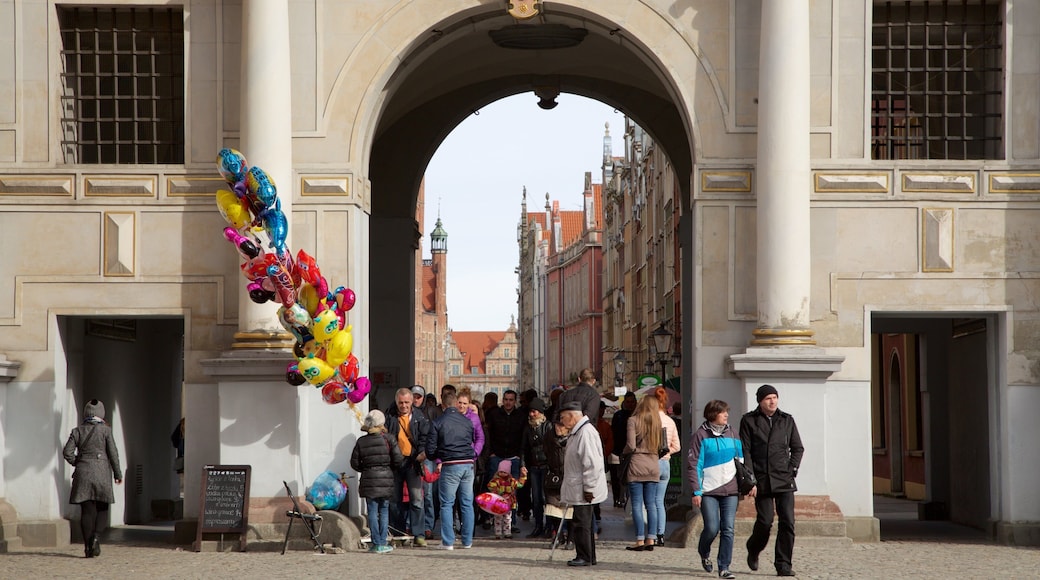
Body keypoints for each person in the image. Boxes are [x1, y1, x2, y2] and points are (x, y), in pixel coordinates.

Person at [740, 385, 804, 577]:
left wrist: (792, 468)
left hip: (784, 479)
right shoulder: (749, 420)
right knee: (765, 521)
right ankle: (753, 547)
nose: (772, 401)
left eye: (775, 397)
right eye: (768, 398)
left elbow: (798, 448)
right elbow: (746, 451)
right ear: (760, 401)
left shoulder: (787, 420)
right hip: (762, 479)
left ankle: (783, 564)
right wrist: (750, 480)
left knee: (788, 522)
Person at [689, 400, 743, 579]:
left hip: (731, 490)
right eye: (722, 412)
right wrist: (696, 491)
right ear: (712, 414)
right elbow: (694, 465)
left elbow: (740, 461)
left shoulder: (733, 432)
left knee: (728, 528)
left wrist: (746, 485)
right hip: (709, 491)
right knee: (712, 528)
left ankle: (724, 566)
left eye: (727, 412)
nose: (726, 415)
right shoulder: (700, 435)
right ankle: (704, 552)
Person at [62, 399, 123, 558]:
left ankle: (87, 547)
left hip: (83, 473)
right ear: (101, 414)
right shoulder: (106, 431)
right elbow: (113, 454)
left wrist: (79, 462)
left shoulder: (77, 431)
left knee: (87, 511)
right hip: (102, 472)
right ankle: (96, 537)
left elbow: (67, 452)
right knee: (102, 508)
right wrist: (117, 474)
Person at [425, 391, 478, 550]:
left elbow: (430, 449)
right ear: (456, 404)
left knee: (447, 504)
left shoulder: (438, 422)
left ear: (443, 405)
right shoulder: (467, 421)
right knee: (467, 503)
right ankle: (467, 541)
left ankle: (448, 541)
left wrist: (437, 456)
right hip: (468, 464)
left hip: (450, 464)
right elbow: (472, 440)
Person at [559, 401, 607, 567]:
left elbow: (592, 463)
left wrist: (589, 488)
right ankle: (588, 555)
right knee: (582, 521)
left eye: (562, 417)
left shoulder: (585, 433)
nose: (561, 421)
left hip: (583, 487)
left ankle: (585, 556)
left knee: (582, 523)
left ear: (572, 416)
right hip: (578, 485)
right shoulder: (578, 431)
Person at [351, 410, 404, 554]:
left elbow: (354, 463)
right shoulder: (389, 439)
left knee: (372, 511)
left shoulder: (361, 441)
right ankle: (383, 542)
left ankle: (376, 543)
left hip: (369, 478)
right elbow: (398, 459)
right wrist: (388, 469)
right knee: (384, 510)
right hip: (386, 477)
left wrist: (366, 469)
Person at [384, 387, 429, 545]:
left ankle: (419, 534)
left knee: (417, 499)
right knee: (394, 500)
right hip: (395, 462)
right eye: (401, 402)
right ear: (396, 402)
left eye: (407, 402)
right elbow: (386, 437)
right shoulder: (389, 416)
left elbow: (425, 437)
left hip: (413, 462)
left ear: (412, 402)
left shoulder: (419, 417)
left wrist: (422, 453)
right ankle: (399, 532)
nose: (403, 406)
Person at [483, 389, 526, 531]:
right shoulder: (495, 414)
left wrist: (520, 455)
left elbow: (523, 437)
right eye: (506, 399)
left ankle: (510, 522)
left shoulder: (520, 416)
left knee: (512, 492)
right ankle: (493, 519)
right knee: (494, 489)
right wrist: (491, 453)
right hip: (498, 456)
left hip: (514, 457)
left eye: (511, 400)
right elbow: (488, 434)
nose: (508, 402)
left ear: (515, 401)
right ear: (503, 400)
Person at [623, 395, 662, 552]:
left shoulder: (633, 420)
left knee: (637, 505)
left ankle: (639, 539)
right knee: (651, 504)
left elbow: (631, 445)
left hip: (637, 464)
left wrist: (623, 453)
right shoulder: (657, 423)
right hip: (653, 464)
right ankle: (651, 538)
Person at [652, 387, 682, 546]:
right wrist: (666, 451)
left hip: (652, 462)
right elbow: (677, 446)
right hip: (665, 463)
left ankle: (651, 533)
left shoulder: (649, 420)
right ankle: (661, 534)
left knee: (650, 501)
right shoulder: (670, 421)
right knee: (659, 501)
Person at [520, 397, 551, 538]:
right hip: (534, 467)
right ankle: (538, 525)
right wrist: (523, 465)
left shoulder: (548, 426)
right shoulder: (528, 428)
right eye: (530, 412)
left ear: (540, 412)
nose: (531, 414)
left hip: (546, 467)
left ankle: (550, 526)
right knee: (536, 499)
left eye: (534, 412)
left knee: (547, 498)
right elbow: (523, 448)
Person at [542, 416, 571, 543]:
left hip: (569, 476)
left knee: (570, 509)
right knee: (553, 507)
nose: (558, 428)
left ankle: (570, 536)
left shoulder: (573, 439)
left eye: (561, 426)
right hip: (554, 475)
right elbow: (546, 452)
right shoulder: (549, 437)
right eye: (556, 425)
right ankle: (557, 535)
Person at [487, 459, 528, 539]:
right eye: (501, 471)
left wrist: (523, 477)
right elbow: (490, 486)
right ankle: (498, 532)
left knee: (507, 518)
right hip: (498, 503)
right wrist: (496, 491)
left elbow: (519, 485)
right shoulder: (496, 480)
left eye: (504, 472)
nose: (502, 473)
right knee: (498, 518)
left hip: (508, 503)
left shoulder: (512, 481)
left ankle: (507, 532)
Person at [610, 392, 637, 508]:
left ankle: (628, 499)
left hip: (634, 452)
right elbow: (613, 432)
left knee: (631, 477)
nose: (630, 404)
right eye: (628, 402)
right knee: (619, 477)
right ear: (624, 402)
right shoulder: (618, 416)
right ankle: (619, 499)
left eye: (632, 402)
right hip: (620, 450)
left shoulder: (638, 415)